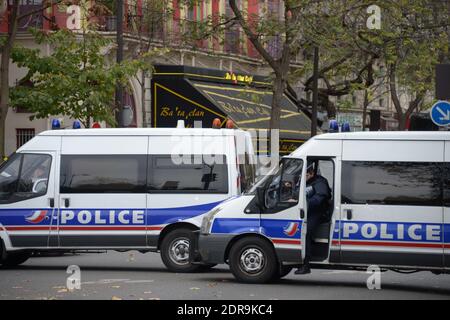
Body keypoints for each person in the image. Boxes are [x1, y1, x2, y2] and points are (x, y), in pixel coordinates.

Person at [295, 163, 331, 275]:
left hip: (318, 212)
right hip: (308, 212)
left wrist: (304, 203)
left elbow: (320, 199)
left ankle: (306, 265)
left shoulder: (320, 182)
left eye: (305, 174)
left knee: (306, 233)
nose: (302, 177)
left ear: (311, 173)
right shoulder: (307, 181)